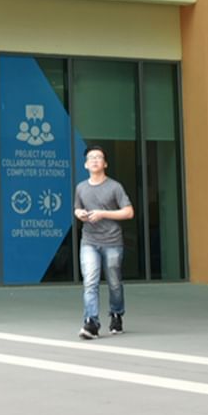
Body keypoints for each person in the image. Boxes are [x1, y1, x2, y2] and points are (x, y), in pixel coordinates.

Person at [73, 145, 135, 340]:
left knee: (114, 283)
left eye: (99, 157)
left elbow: (128, 212)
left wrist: (102, 214)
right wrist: (80, 214)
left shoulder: (115, 187)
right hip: (89, 241)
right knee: (90, 282)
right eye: (91, 157)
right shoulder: (81, 188)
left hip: (112, 241)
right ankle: (91, 322)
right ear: (85, 164)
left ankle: (116, 314)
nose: (95, 160)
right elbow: (77, 208)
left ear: (105, 163)